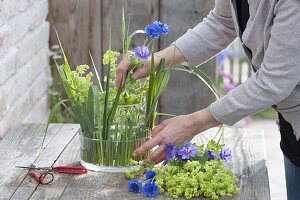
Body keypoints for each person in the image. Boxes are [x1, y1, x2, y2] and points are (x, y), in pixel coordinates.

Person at [116, 0, 300, 199]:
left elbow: (275, 80)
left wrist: (192, 123)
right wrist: (155, 61)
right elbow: (222, 23)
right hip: (291, 125)